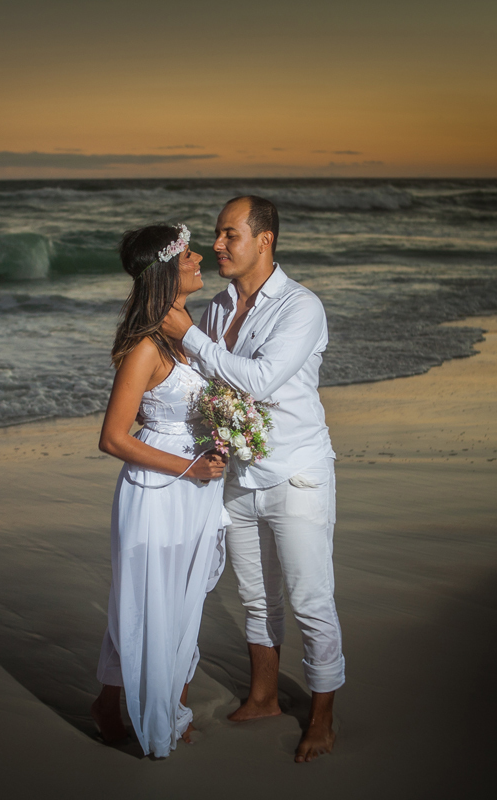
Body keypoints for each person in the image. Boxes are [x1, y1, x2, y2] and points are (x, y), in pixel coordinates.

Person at [162, 196, 343, 763]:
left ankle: (321, 717)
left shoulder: (300, 306)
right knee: (257, 599)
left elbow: (259, 381)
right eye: (217, 236)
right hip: (238, 475)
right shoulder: (216, 309)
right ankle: (264, 696)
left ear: (264, 240)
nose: (217, 245)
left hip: (297, 474)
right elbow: (205, 383)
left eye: (227, 234)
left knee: (311, 599)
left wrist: (187, 334)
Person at [91, 223, 229, 759]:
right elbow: (112, 438)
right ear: (167, 269)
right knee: (148, 603)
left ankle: (165, 703)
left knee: (183, 598)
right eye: (188, 252)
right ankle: (138, 707)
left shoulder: (187, 329)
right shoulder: (145, 347)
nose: (200, 257)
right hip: (157, 491)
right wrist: (189, 469)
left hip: (195, 486)